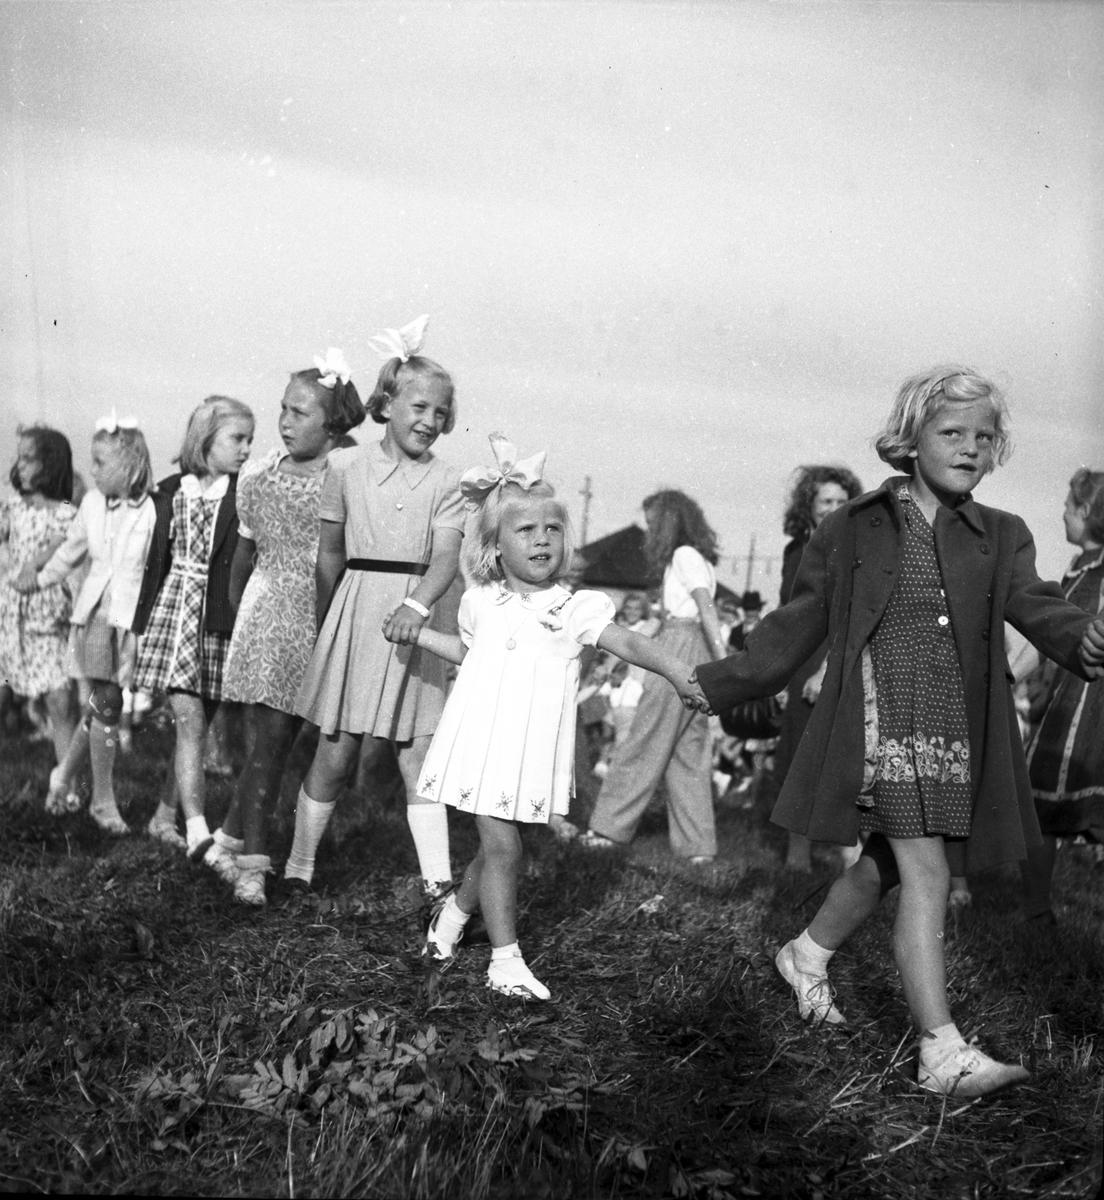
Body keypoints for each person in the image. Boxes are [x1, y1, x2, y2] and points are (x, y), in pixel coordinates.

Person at [694, 367, 1104, 1098]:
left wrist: (1083, 639)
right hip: (882, 723)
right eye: (953, 432)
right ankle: (940, 1051)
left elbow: (1040, 606)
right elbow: (796, 625)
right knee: (927, 873)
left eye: (985, 437)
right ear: (911, 439)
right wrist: (719, 682)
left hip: (954, 731)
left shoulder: (1003, 535)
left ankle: (806, 953)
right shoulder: (853, 527)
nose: (971, 447)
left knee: (888, 860)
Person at [409, 434, 708, 999]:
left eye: (552, 528)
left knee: (495, 849)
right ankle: (504, 961)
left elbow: (627, 642)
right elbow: (470, 653)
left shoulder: (574, 608)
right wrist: (421, 634)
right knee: (505, 849)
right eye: (526, 529)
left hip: (528, 752)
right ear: (495, 546)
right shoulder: (480, 602)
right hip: (479, 743)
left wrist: (676, 670)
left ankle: (450, 918)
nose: (542, 538)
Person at [282, 317, 464, 903]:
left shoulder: (448, 480)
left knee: (419, 756)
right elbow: (329, 555)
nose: (429, 421)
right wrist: (327, 623)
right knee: (336, 752)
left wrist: (417, 605)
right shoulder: (344, 468)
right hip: (357, 617)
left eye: (440, 412)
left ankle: (438, 888)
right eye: (419, 407)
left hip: (416, 620)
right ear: (385, 405)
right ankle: (299, 868)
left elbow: (445, 559)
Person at [211, 350, 365, 905]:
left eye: (299, 412)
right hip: (270, 621)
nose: (284, 421)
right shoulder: (259, 476)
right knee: (269, 744)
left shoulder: (346, 478)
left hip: (320, 620)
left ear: (333, 423)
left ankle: (225, 842)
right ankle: (253, 866)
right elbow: (243, 556)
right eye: (283, 409)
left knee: (277, 745)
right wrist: (242, 618)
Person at [19, 413, 157, 832]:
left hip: (131, 620)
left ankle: (64, 774)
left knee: (103, 705)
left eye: (100, 462)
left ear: (130, 465)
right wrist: (39, 579)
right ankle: (102, 801)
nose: (92, 470)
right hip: (96, 616)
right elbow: (70, 552)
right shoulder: (92, 504)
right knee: (108, 701)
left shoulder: (151, 509)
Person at [132, 395, 255, 858]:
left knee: (197, 728)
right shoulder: (169, 491)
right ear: (205, 439)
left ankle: (163, 818)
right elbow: (154, 564)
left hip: (218, 619)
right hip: (175, 615)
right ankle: (199, 832)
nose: (246, 449)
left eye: (250, 440)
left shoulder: (243, 495)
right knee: (189, 720)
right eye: (237, 438)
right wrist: (139, 626)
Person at [580, 489, 728, 862]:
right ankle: (698, 848)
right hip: (691, 646)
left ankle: (608, 830)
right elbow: (659, 621)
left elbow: (706, 608)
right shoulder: (693, 559)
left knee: (645, 738)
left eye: (652, 523)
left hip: (680, 645)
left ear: (670, 521)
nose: (649, 532)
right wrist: (613, 658)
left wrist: (725, 661)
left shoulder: (684, 555)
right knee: (687, 750)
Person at [1019, 467, 1104, 922]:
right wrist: (1010, 676)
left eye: (1069, 507)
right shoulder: (1076, 569)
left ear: (1087, 512)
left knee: (1092, 803)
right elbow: (1046, 635)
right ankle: (1036, 909)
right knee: (1036, 801)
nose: (1063, 513)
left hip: (1093, 705)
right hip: (1064, 702)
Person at [775, 465, 863, 871]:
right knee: (796, 758)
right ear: (808, 506)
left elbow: (854, 613)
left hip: (837, 656)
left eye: (841, 501)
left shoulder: (854, 548)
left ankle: (848, 853)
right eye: (825, 500)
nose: (833, 507)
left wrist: (827, 667)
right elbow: (787, 614)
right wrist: (777, 673)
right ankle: (798, 855)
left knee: (840, 759)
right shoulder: (795, 550)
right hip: (798, 662)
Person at [0, 426, 78, 770]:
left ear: (51, 464)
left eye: (29, 458)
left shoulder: (65, 511)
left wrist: (35, 563)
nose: (20, 465)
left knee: (59, 699)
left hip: (47, 614)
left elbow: (60, 545)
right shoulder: (13, 507)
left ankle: (67, 781)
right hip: (9, 612)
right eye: (20, 458)